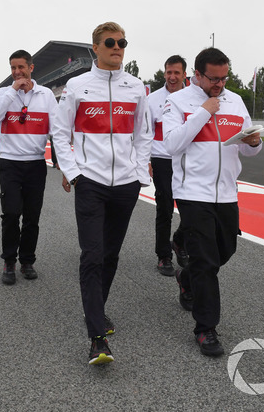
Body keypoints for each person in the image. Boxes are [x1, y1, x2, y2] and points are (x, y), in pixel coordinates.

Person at [52, 21, 152, 365]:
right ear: (95, 47)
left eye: (122, 42)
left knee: (110, 256)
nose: (117, 47)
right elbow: (59, 130)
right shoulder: (77, 86)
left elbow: (143, 134)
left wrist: (139, 173)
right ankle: (97, 338)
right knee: (92, 255)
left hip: (125, 185)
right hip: (91, 183)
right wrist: (74, 173)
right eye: (110, 42)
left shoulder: (137, 87)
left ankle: (95, 310)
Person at [162, 47, 262, 356]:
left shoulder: (236, 101)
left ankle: (185, 278)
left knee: (224, 251)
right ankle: (206, 328)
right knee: (206, 261)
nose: (219, 84)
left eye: (224, 78)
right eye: (213, 78)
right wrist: (205, 110)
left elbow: (249, 149)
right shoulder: (177, 101)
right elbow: (171, 145)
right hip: (193, 192)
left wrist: (254, 142)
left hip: (227, 192)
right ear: (197, 74)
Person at [0, 49, 58, 285]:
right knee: (11, 213)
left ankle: (27, 260)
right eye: (13, 68)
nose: (17, 72)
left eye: (21, 67)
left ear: (31, 68)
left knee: (32, 216)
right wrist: (13, 90)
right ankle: (9, 261)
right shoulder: (4, 93)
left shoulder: (46, 95)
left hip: (36, 163)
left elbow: (56, 130)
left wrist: (67, 164)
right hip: (10, 162)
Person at [147, 55, 188, 276]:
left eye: (177, 73)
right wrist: (147, 160)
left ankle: (179, 242)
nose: (172, 77)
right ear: (164, 73)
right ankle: (163, 256)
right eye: (169, 72)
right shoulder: (153, 100)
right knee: (164, 208)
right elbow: (146, 133)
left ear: (184, 75)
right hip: (162, 159)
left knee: (190, 207)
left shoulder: (195, 97)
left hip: (187, 160)